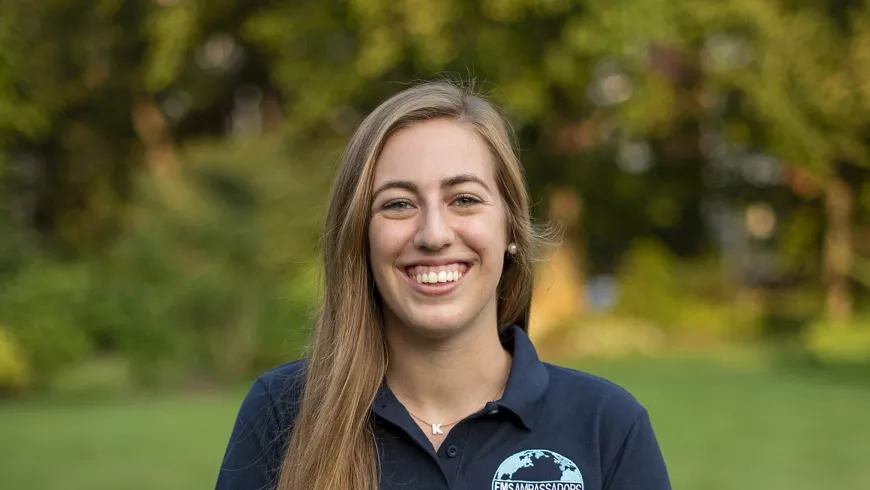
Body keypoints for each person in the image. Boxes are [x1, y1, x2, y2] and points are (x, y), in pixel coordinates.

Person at [215, 81, 671, 490]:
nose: (434, 234)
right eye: (398, 204)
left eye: (465, 199)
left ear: (511, 227)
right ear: (360, 237)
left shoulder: (605, 425)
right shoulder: (283, 413)